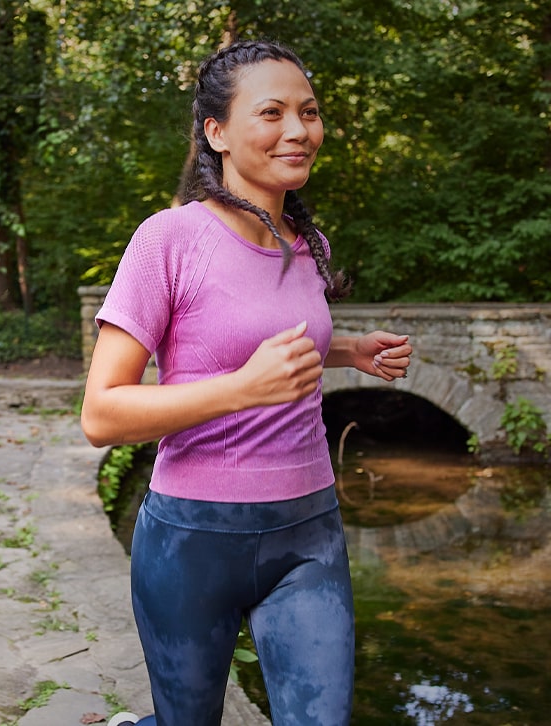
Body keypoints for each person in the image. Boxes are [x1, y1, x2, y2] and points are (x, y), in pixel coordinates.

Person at [81, 40, 412, 726]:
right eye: (274, 112)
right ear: (217, 132)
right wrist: (243, 389)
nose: (299, 130)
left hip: (308, 531)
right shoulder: (166, 241)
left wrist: (345, 351)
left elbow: (256, 347)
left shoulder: (308, 243)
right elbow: (102, 415)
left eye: (310, 112)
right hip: (192, 539)